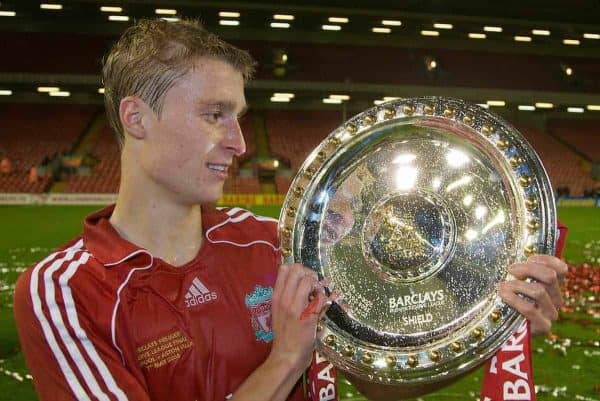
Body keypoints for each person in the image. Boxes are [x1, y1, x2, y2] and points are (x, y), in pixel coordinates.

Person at [14, 19, 567, 401]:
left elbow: (378, 379)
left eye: (238, 116)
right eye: (214, 114)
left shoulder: (275, 243)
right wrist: (285, 361)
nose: (239, 141)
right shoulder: (66, 291)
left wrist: (492, 324)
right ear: (137, 118)